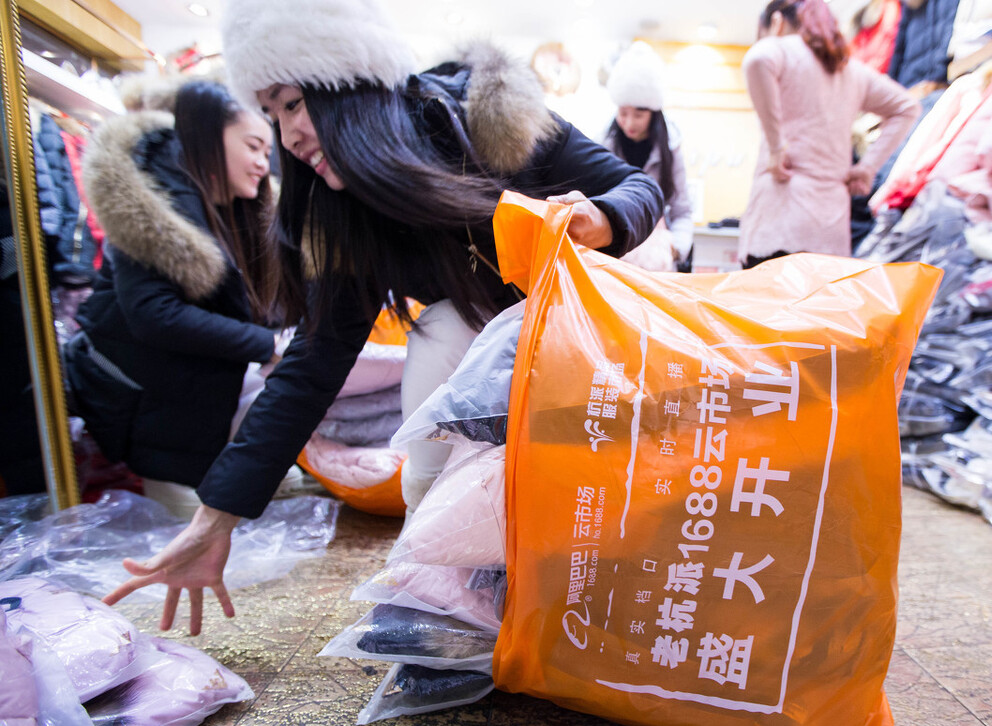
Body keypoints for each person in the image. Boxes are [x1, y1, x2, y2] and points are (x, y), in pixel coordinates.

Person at [102, 0, 663, 634]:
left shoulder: (492, 115)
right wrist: (214, 519)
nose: (287, 137)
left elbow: (639, 187)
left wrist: (602, 219)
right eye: (269, 115)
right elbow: (313, 365)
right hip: (488, 347)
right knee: (440, 353)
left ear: (346, 83)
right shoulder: (346, 213)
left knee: (595, 494)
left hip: (600, 325)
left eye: (291, 104)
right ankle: (443, 612)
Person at [64, 79, 278, 516]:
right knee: (186, 538)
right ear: (210, 134)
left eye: (265, 152)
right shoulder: (156, 196)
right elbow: (154, 313)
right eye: (253, 146)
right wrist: (266, 345)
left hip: (180, 416)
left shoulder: (213, 206)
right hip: (156, 416)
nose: (261, 163)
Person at [739, 0, 919, 268]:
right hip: (829, 229)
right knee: (818, 308)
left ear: (776, 22)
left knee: (767, 307)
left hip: (779, 219)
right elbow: (907, 107)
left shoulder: (783, 49)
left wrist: (777, 147)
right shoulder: (850, 70)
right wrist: (867, 167)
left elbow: (757, 57)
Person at [601, 42, 694, 272]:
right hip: (614, 259)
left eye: (639, 114)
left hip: (657, 263)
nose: (629, 123)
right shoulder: (603, 145)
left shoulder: (671, 149)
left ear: (654, 113)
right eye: (623, 113)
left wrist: (675, 247)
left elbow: (683, 211)